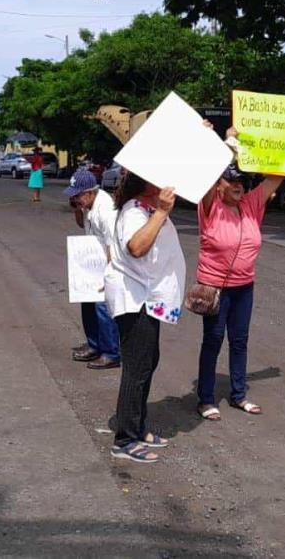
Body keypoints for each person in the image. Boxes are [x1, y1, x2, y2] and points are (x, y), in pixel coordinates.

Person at [194, 152, 285, 421]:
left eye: (243, 181)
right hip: (214, 287)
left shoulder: (251, 204)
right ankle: (205, 399)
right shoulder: (209, 207)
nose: (239, 186)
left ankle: (238, 395)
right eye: (232, 180)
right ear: (218, 184)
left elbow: (277, 176)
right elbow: (207, 173)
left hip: (244, 286)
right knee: (213, 340)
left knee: (240, 340)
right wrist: (224, 145)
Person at [105, 172, 184, 464]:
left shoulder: (147, 210)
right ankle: (124, 440)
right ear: (146, 184)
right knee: (136, 368)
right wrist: (162, 211)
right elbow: (136, 248)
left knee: (148, 361)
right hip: (133, 298)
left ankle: (136, 427)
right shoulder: (134, 212)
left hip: (147, 298)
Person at [65, 168, 121, 369]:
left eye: (78, 195)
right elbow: (82, 226)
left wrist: (107, 276)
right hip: (93, 261)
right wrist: (77, 208)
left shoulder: (105, 210)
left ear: (90, 192)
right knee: (87, 301)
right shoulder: (88, 205)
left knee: (102, 306)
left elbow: (112, 245)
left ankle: (111, 352)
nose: (76, 199)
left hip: (107, 261)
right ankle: (94, 345)